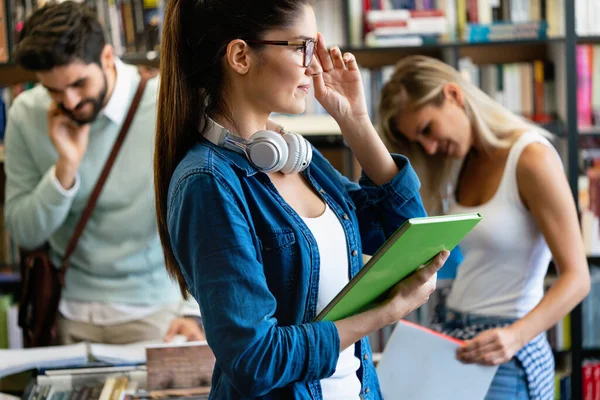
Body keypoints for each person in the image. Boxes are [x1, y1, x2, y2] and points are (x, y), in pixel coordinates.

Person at [153, 0, 450, 398]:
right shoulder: (207, 184)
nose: (314, 66)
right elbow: (253, 359)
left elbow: (408, 238)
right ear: (241, 55)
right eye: (301, 47)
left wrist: (356, 122)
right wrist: (382, 314)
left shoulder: (298, 157)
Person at [378, 55, 591, 400]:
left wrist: (515, 337)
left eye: (428, 129)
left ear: (453, 95)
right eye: (419, 143)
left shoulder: (532, 158)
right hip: (452, 337)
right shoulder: (462, 163)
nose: (430, 148)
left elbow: (577, 278)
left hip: (503, 349)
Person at [5, 1, 204, 345]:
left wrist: (193, 309)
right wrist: (64, 170)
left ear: (108, 57)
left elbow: (204, 217)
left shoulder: (164, 106)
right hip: (66, 312)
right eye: (52, 90)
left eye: (79, 84)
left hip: (158, 313)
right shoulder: (27, 113)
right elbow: (25, 232)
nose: (68, 102)